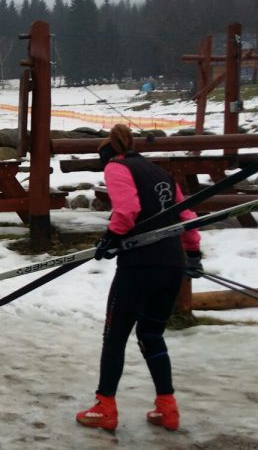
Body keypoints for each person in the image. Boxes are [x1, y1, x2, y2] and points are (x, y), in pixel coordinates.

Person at [76, 124, 202, 432]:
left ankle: (105, 407)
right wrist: (193, 252)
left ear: (107, 155)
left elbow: (128, 210)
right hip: (171, 263)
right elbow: (186, 216)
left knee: (115, 336)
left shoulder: (117, 168)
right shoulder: (160, 173)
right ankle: (166, 408)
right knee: (152, 335)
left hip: (140, 265)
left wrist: (110, 237)